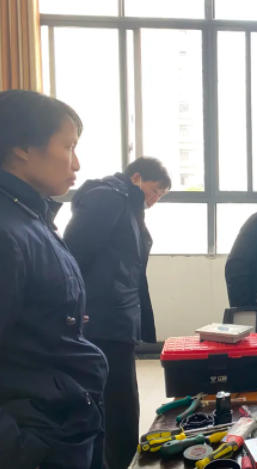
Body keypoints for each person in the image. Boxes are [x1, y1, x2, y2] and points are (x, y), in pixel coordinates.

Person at [0, 90, 108, 469]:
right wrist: (20, 450)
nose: (76, 162)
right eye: (68, 146)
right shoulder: (6, 229)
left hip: (64, 419)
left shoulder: (30, 217)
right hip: (36, 437)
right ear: (23, 148)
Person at [64, 157, 171, 469]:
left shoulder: (127, 205)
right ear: (136, 178)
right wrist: (75, 307)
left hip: (116, 317)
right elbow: (72, 257)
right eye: (154, 190)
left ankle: (121, 459)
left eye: (161, 196)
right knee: (115, 399)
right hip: (101, 319)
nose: (155, 199)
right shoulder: (108, 198)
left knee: (120, 398)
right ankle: (116, 461)